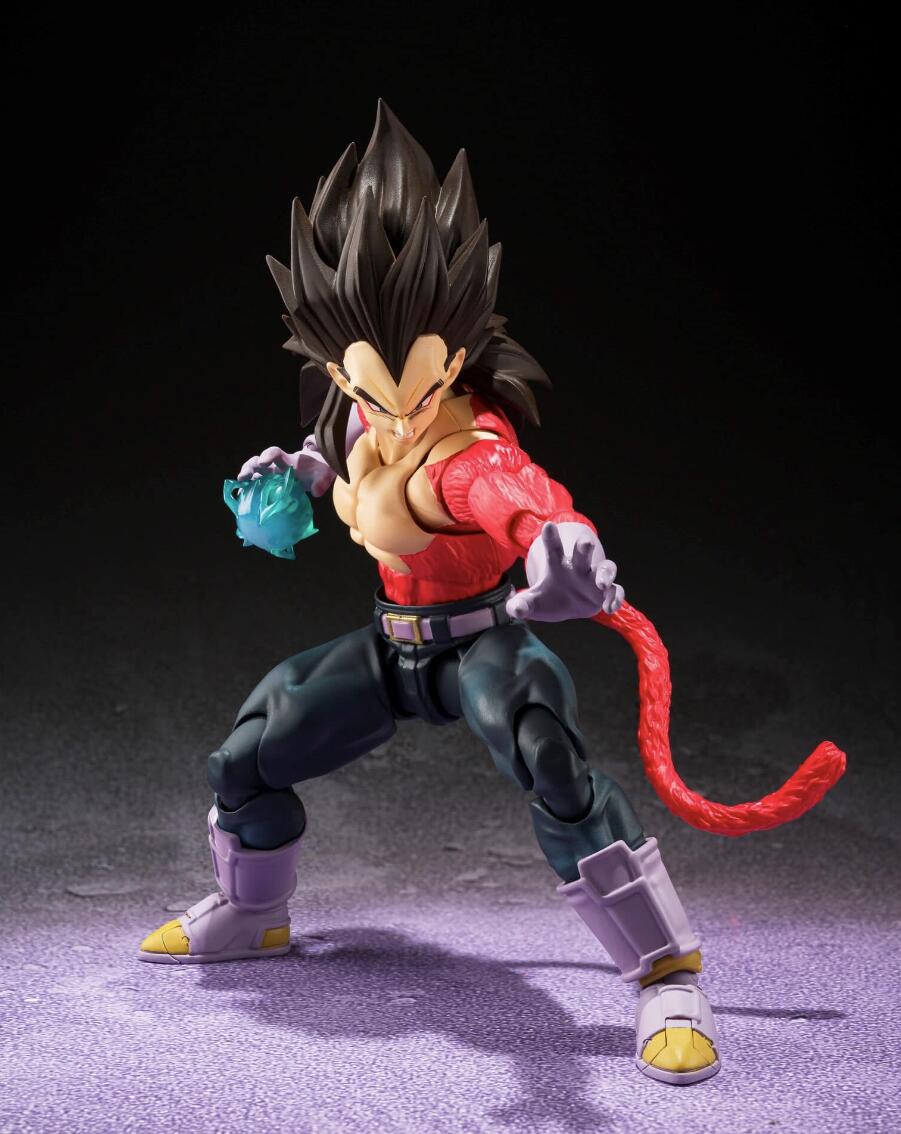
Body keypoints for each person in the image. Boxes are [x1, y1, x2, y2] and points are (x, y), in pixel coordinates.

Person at [138, 99, 844, 1086]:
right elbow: (341, 460)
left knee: (551, 766)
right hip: (391, 648)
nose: (397, 410)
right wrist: (297, 475)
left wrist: (563, 543)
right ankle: (254, 913)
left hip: (484, 643)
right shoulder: (350, 408)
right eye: (369, 386)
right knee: (248, 752)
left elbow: (520, 499)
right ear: (336, 362)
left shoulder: (468, 449)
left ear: (458, 355)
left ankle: (668, 977)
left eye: (419, 387)